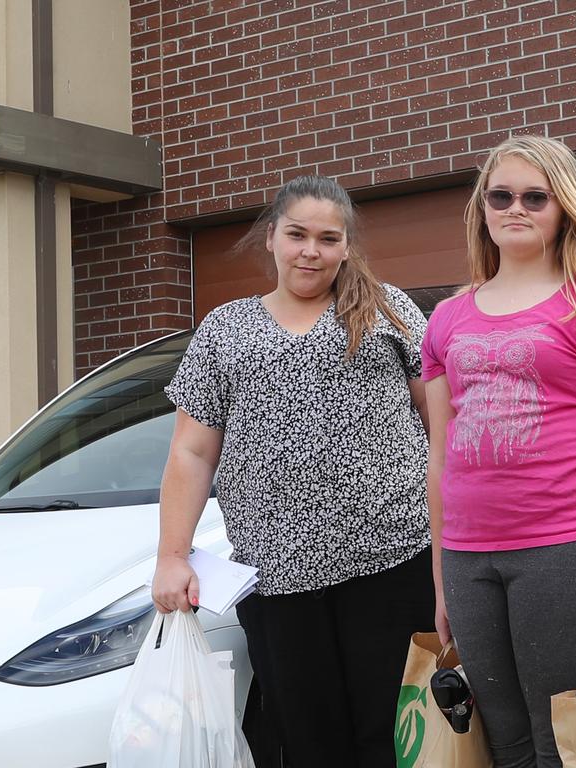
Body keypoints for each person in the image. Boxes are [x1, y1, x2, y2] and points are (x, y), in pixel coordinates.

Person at [151, 174, 434, 768]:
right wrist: (171, 555)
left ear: (347, 247)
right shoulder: (224, 329)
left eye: (328, 239)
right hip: (278, 578)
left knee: (390, 738)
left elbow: (444, 424)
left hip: (393, 562)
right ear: (272, 238)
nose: (311, 250)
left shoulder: (388, 310)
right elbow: (192, 453)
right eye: (298, 234)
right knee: (307, 740)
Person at [421, 135, 576, 768]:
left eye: (536, 197)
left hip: (568, 549)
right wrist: (444, 580)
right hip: (472, 559)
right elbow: (441, 457)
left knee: (564, 743)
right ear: (482, 208)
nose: (517, 208)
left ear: (563, 209)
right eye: (501, 196)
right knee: (502, 744)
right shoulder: (446, 319)